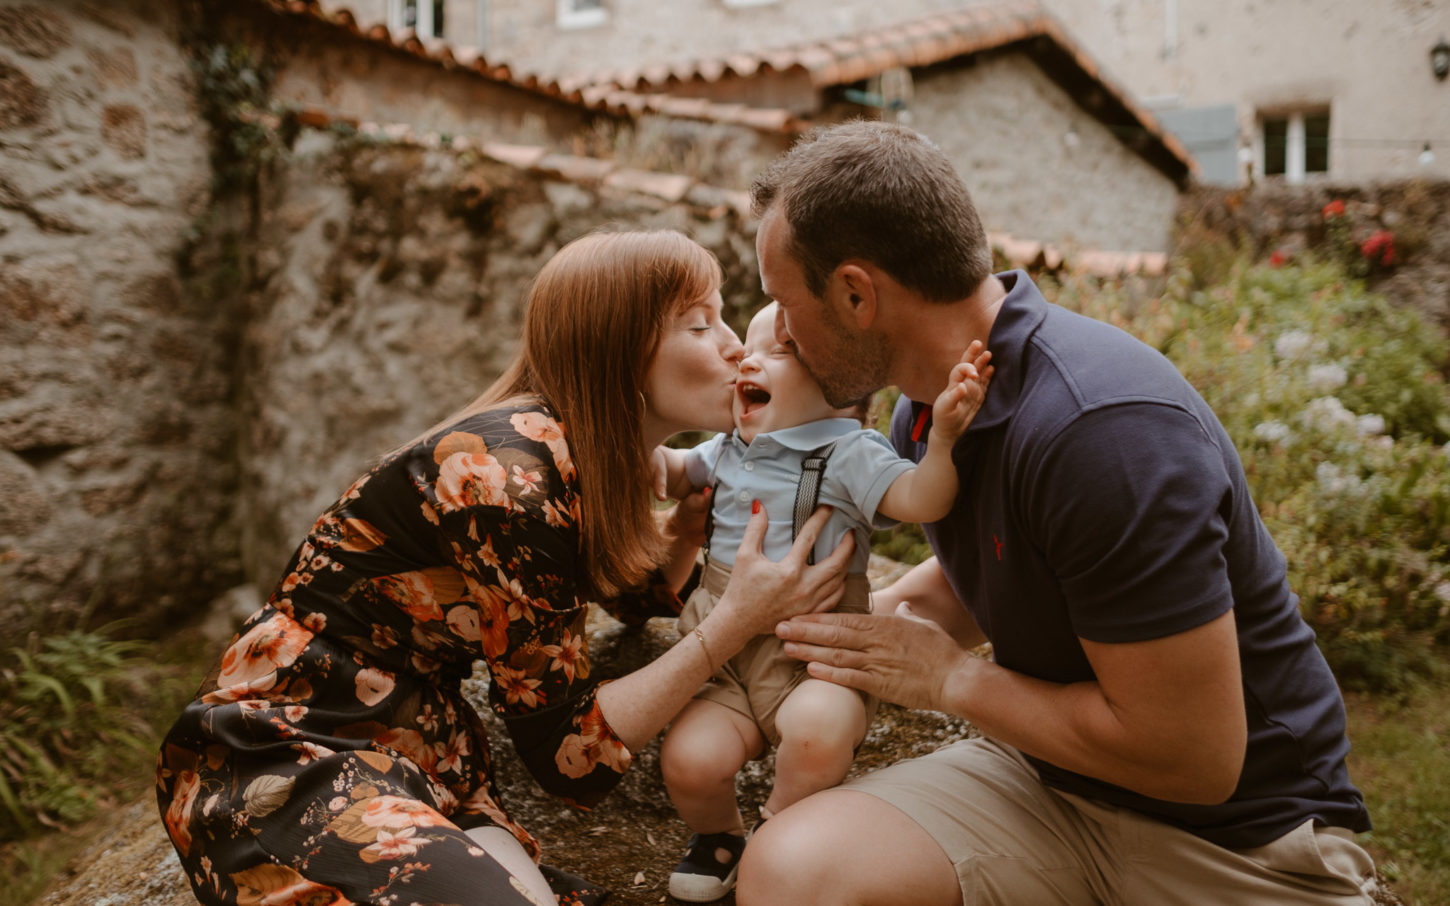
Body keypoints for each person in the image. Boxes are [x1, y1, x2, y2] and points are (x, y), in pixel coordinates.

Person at [736, 121, 1377, 906]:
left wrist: (947, 679)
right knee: (789, 874)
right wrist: (832, 626)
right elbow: (1000, 567)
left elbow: (1196, 761)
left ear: (856, 293)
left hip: (1241, 843)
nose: (770, 336)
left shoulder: (1104, 434)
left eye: (779, 303)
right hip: (1053, 788)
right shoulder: (927, 413)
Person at [154, 229, 858, 906]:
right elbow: (568, 755)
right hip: (286, 748)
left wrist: (684, 528)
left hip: (415, 751)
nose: (738, 347)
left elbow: (634, 602)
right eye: (701, 324)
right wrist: (737, 620)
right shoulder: (505, 475)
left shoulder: (589, 459)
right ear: (616, 348)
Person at [652, 302, 991, 902]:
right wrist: (634, 431)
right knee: (689, 760)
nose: (748, 359)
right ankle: (719, 837)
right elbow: (673, 471)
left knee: (819, 729)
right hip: (723, 652)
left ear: (844, 387)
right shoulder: (730, 444)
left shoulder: (849, 450)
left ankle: (778, 826)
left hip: (815, 651)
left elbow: (920, 499)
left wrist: (941, 443)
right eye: (751, 348)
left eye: (780, 351)